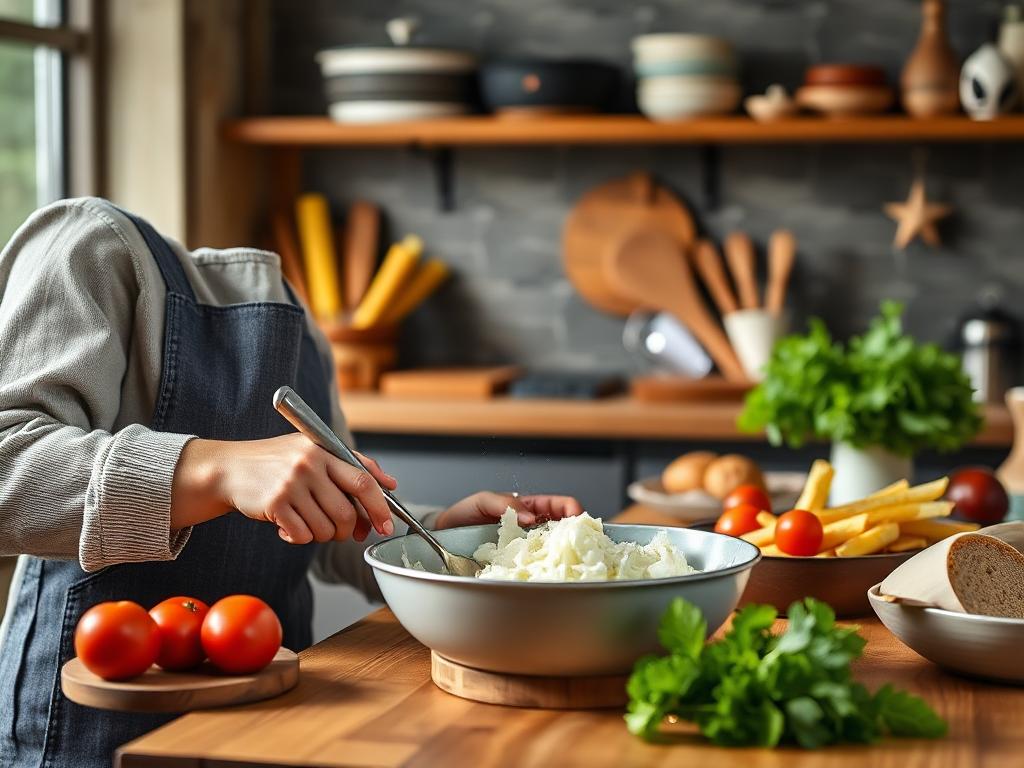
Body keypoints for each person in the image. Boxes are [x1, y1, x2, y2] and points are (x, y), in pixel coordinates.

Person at [0, 198, 583, 768]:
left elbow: (330, 526)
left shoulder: (301, 324)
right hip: (88, 735)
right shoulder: (88, 245)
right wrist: (218, 468)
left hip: (280, 725)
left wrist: (433, 534)